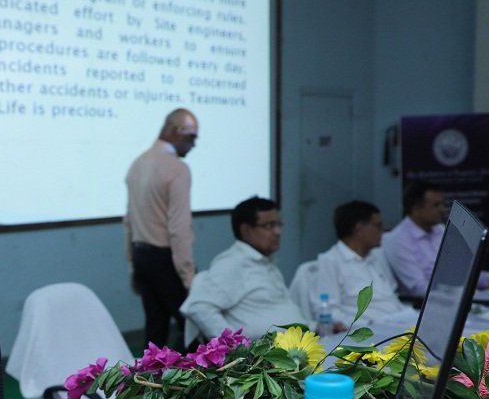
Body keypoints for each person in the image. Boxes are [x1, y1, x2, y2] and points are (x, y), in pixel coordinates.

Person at [180, 196, 306, 345]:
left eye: (279, 224)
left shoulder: (266, 263)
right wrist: (237, 347)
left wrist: (314, 325)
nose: (278, 232)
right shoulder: (232, 263)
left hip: (297, 348)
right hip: (265, 359)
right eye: (269, 226)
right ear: (246, 230)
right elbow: (199, 307)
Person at [124, 108, 200, 347]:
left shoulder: (137, 164)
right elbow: (179, 228)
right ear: (175, 132)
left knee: (155, 329)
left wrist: (133, 264)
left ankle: (147, 382)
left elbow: (129, 220)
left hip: (142, 255)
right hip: (166, 259)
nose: (194, 145)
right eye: (191, 137)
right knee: (193, 328)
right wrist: (188, 277)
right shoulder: (177, 169)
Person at [316, 200, 415, 329]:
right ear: (359, 229)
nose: (383, 230)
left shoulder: (377, 257)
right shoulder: (330, 261)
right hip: (368, 331)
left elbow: (391, 298)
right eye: (378, 225)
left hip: (398, 322)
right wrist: (363, 326)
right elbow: (329, 312)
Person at [381, 182, 448, 298]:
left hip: (456, 296)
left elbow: (462, 273)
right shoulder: (397, 240)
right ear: (416, 209)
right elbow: (419, 289)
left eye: (443, 204)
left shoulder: (440, 230)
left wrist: (488, 279)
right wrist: (461, 294)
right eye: (436, 205)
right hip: (430, 304)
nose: (443, 209)